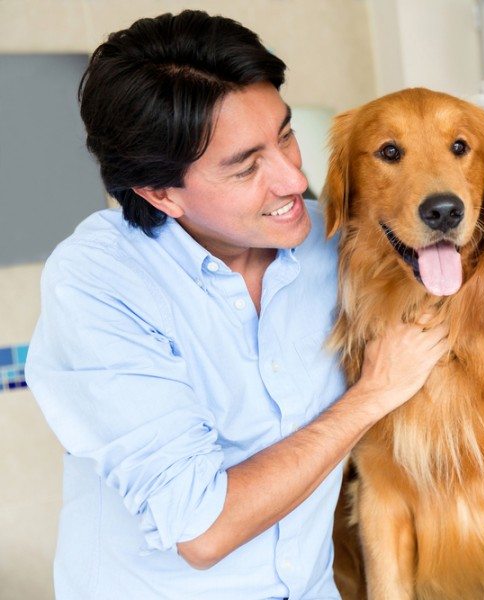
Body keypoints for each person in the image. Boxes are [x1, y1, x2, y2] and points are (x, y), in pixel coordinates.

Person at [25, 10, 448, 599]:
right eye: (247, 166)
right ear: (160, 193)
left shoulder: (335, 242)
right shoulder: (98, 282)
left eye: (286, 136)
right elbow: (201, 529)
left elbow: (479, 276)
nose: (292, 180)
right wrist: (371, 396)